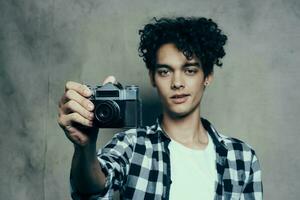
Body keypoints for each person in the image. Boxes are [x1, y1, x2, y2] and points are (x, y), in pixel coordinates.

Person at [58, 17, 263, 200]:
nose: (177, 83)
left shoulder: (241, 157)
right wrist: (84, 148)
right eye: (165, 71)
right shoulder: (131, 144)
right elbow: (92, 190)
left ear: (207, 76)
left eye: (190, 70)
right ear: (152, 77)